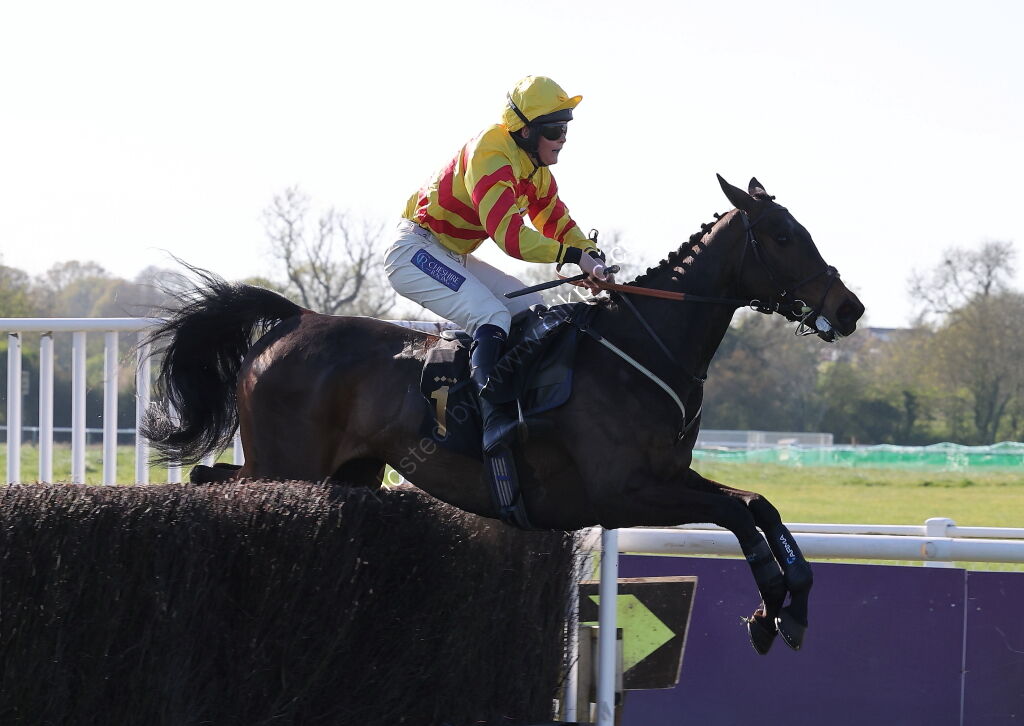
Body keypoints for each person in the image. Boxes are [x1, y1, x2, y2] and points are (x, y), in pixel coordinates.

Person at [384, 75, 610, 455]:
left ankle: (525, 408)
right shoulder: (491, 151)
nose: (563, 138)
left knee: (529, 313)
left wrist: (592, 256)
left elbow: (556, 221)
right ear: (524, 131)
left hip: (452, 253)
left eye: (566, 128)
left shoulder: (535, 169)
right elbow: (509, 235)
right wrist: (573, 258)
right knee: (491, 315)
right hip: (414, 252)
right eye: (555, 130)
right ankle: (492, 422)